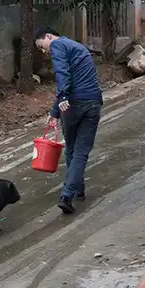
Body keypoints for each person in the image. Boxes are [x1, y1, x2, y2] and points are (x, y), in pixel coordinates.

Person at [34, 26, 103, 214]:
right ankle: (77, 190)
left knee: (72, 150)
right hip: (93, 102)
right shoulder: (77, 47)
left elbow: (62, 73)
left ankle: (66, 195)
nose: (43, 51)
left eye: (42, 46)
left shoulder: (57, 45)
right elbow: (74, 78)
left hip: (73, 104)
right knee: (81, 152)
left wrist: (63, 97)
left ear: (49, 36)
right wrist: (55, 111)